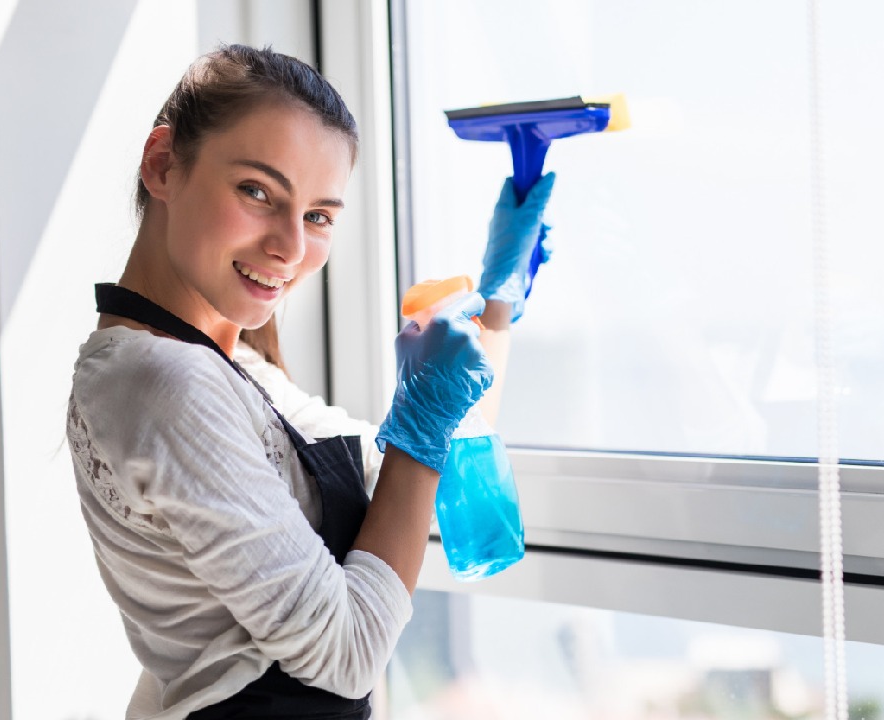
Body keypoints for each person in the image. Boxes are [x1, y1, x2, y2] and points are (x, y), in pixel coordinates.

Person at [65, 44, 555, 720]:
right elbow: (347, 655)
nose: (291, 248)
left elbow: (419, 481)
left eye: (319, 216)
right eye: (257, 192)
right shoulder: (164, 382)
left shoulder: (231, 368)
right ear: (163, 164)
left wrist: (497, 302)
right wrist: (421, 416)